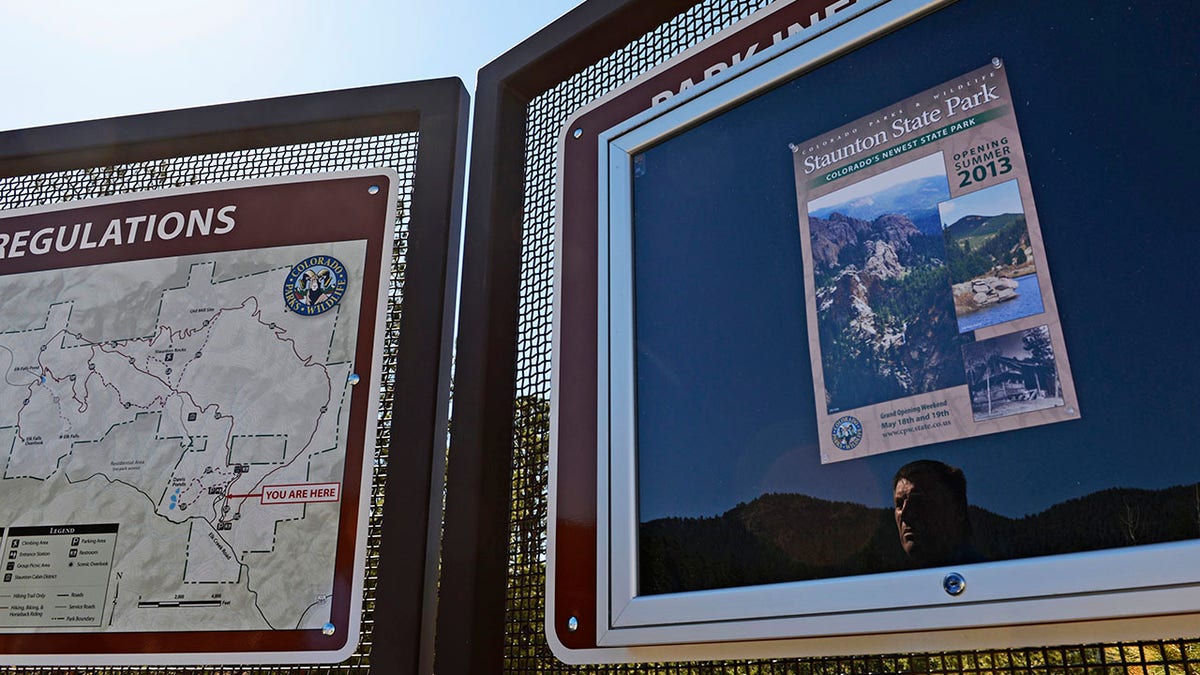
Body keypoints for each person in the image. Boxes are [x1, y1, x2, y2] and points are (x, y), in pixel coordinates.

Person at [892, 459, 982, 567]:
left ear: (958, 510)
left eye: (919, 502)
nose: (905, 514)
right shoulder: (890, 577)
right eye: (899, 504)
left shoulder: (992, 574)